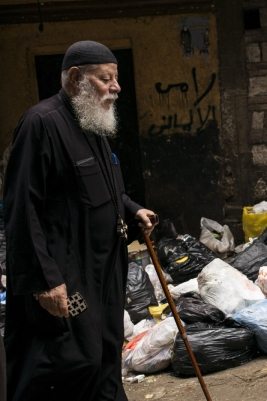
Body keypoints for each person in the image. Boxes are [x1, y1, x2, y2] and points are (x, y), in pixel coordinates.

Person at [2, 40, 158, 401]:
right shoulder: (41, 124)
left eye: (115, 78)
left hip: (104, 274)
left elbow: (102, 189)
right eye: (107, 79)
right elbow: (20, 209)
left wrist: (131, 208)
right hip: (66, 279)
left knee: (104, 357)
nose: (116, 87)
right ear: (76, 78)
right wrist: (45, 280)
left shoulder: (94, 121)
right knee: (69, 363)